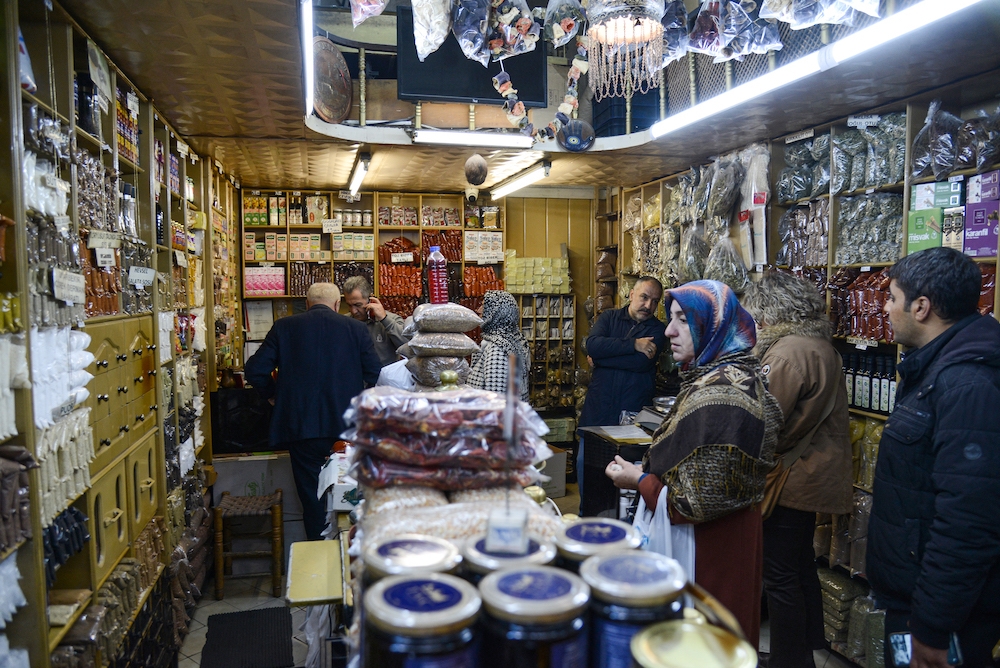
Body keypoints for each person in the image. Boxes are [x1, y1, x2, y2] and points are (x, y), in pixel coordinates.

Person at [605, 279, 782, 648]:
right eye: (671, 319)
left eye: (683, 320)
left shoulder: (722, 396)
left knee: (705, 645)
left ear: (712, 325)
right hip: (720, 541)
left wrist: (639, 481)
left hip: (712, 553)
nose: (669, 331)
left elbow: (696, 502)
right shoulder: (719, 376)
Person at [866, 248, 1000, 668]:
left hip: (942, 614)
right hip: (918, 596)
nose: (885, 309)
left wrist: (932, 625)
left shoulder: (967, 384)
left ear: (921, 307)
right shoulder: (936, 367)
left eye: (892, 298)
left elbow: (967, 521)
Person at [743, 272, 852, 668]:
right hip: (814, 474)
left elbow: (766, 419)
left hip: (793, 478)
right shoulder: (819, 346)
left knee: (780, 576)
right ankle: (804, 650)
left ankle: (789, 660)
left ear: (771, 311)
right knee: (800, 567)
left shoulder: (787, 353)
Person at [244, 282, 381, 540]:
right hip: (346, 427)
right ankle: (349, 549)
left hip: (300, 426)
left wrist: (273, 394)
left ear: (307, 304)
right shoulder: (355, 329)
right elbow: (376, 374)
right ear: (337, 304)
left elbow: (255, 369)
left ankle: (318, 551)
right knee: (350, 492)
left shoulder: (284, 326)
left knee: (312, 498)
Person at [578, 276, 667, 495]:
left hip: (631, 420)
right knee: (588, 478)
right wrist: (633, 344)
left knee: (622, 491)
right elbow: (593, 345)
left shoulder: (658, 330)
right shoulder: (609, 318)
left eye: (655, 301)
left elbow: (640, 363)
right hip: (598, 412)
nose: (649, 305)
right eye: (644, 297)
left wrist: (601, 360)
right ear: (632, 294)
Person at [467, 290, 530, 400]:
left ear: (496, 313)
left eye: (484, 306)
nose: (479, 310)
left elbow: (496, 398)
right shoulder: (513, 341)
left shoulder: (497, 348)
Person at [342, 275, 411, 367]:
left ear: (370, 300)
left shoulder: (391, 320)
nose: (353, 311)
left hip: (384, 375)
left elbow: (408, 347)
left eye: (358, 305)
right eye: (349, 305)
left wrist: (384, 319)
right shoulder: (344, 322)